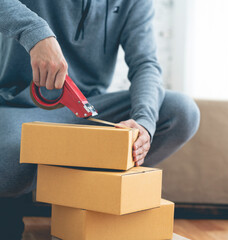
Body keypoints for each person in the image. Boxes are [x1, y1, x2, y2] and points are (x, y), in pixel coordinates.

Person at [0, 0, 200, 239]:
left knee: (181, 112)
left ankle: (79, 193)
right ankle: (56, 195)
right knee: (6, 168)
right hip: (18, 109)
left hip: (89, 112)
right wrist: (35, 32)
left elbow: (145, 64)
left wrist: (144, 123)